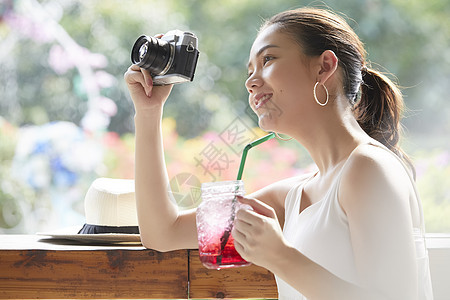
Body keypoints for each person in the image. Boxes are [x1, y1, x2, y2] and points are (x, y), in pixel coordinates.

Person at [124, 7, 433, 300]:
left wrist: (280, 256)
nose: (250, 81)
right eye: (250, 70)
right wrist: (148, 113)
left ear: (324, 66)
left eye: (268, 59)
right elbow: (163, 233)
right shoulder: (295, 196)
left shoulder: (369, 168)